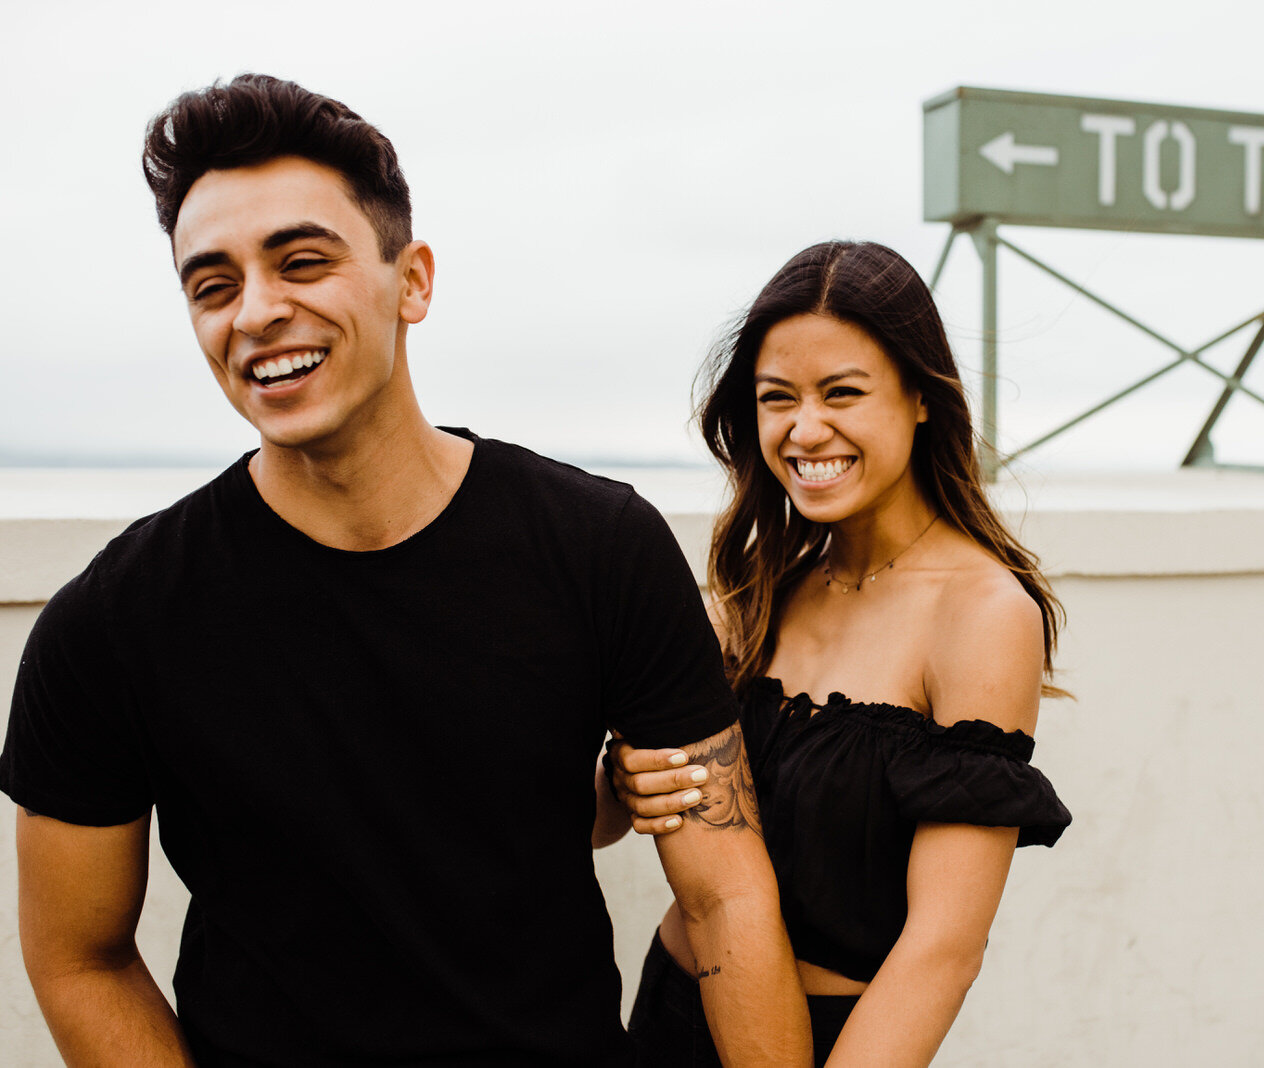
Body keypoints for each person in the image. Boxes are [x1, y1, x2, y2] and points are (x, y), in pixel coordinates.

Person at [0, 74, 810, 1067]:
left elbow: (725, 893)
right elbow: (78, 957)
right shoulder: (113, 622)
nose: (255, 312)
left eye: (301, 261)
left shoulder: (598, 547)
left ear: (412, 281)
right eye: (213, 285)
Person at [594, 241, 1072, 1065]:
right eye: (777, 398)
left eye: (842, 393)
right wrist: (624, 779)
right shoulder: (757, 586)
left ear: (921, 397)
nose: (804, 429)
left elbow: (944, 950)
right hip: (670, 1012)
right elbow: (603, 823)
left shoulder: (983, 612)